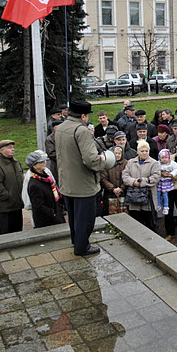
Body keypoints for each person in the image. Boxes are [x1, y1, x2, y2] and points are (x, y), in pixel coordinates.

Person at [56, 100, 107, 256]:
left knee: (73, 217)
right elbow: (90, 159)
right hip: (83, 185)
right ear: (83, 116)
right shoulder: (81, 130)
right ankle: (82, 247)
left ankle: (76, 241)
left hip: (67, 182)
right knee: (85, 219)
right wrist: (103, 162)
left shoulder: (61, 127)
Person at [122, 140, 161, 230]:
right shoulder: (131, 162)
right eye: (142, 151)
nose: (144, 153)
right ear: (138, 151)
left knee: (149, 224)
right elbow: (125, 175)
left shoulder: (154, 163)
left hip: (148, 199)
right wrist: (133, 182)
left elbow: (156, 177)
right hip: (134, 198)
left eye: (146, 151)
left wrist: (142, 182)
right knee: (136, 224)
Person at [0, 140, 24, 235]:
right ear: (2, 150)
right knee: (6, 231)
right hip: (6, 206)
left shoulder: (16, 162)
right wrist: (7, 196)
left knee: (18, 230)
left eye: (13, 147)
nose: (13, 150)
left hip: (17, 203)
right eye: (9, 148)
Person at [25, 151, 65, 228]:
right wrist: (53, 213)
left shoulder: (46, 178)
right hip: (47, 221)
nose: (44, 162)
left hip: (56, 215)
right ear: (34, 166)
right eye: (41, 162)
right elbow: (39, 206)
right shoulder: (34, 184)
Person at [100, 145, 128, 217]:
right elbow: (103, 178)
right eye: (116, 153)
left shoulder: (126, 163)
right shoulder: (107, 163)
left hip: (123, 194)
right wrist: (113, 188)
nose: (117, 155)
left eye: (119, 153)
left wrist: (121, 188)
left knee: (123, 215)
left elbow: (128, 177)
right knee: (111, 215)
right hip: (110, 194)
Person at [157, 149, 177, 216]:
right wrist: (160, 173)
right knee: (158, 193)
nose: (164, 159)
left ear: (169, 157)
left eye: (166, 158)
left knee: (165, 194)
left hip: (167, 181)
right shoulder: (158, 163)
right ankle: (158, 204)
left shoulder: (172, 163)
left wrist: (172, 174)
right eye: (162, 158)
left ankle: (166, 206)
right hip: (160, 181)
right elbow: (154, 169)